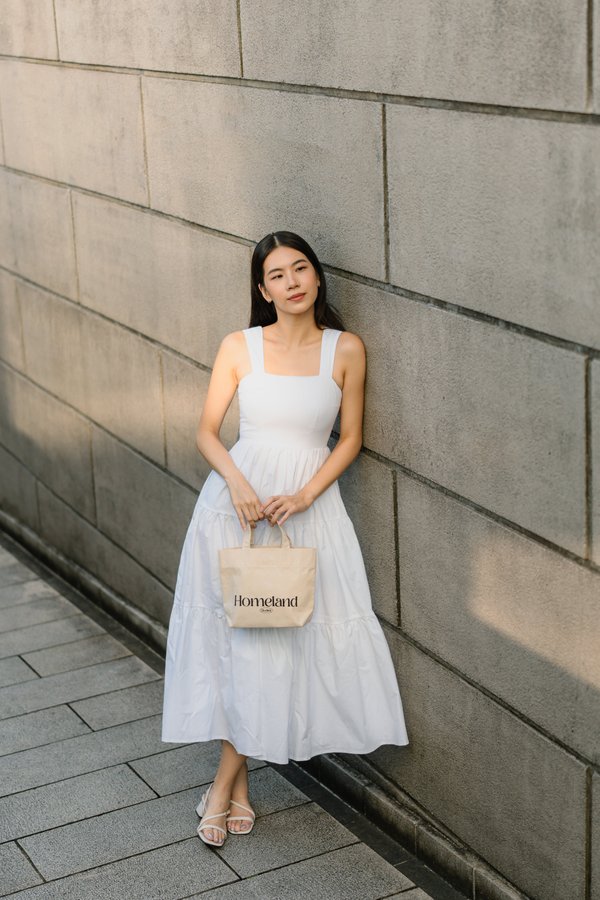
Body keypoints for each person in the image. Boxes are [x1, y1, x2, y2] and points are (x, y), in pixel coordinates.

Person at [161, 231, 409, 846]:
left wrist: (304, 495)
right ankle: (233, 785)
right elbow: (206, 432)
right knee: (241, 641)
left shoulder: (345, 349)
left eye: (301, 269)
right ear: (262, 287)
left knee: (276, 643)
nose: (292, 281)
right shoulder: (239, 346)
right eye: (277, 274)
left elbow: (348, 438)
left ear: (317, 279)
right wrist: (239, 484)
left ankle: (224, 786)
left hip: (304, 514)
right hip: (236, 514)